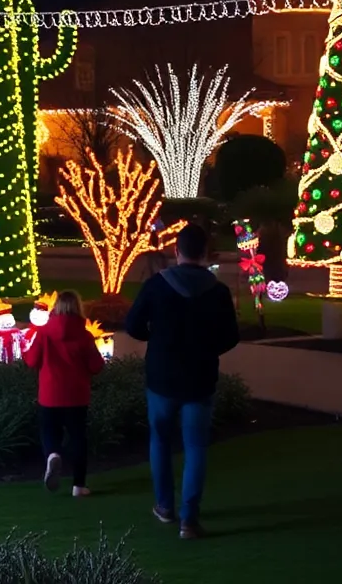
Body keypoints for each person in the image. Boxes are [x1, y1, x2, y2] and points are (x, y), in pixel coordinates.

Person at [126, 223, 240, 540]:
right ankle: (189, 519)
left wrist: (157, 340)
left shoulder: (156, 286)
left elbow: (133, 324)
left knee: (160, 440)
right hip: (200, 378)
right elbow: (231, 336)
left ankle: (164, 506)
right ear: (205, 253)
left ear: (177, 251)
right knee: (195, 447)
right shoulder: (217, 292)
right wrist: (206, 349)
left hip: (161, 376)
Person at [22, 289, 105, 497]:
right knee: (78, 438)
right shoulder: (85, 335)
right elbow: (96, 365)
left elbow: (31, 361)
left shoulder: (44, 333)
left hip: (49, 394)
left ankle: (52, 454)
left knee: (49, 431)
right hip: (77, 396)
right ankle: (79, 485)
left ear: (56, 307)